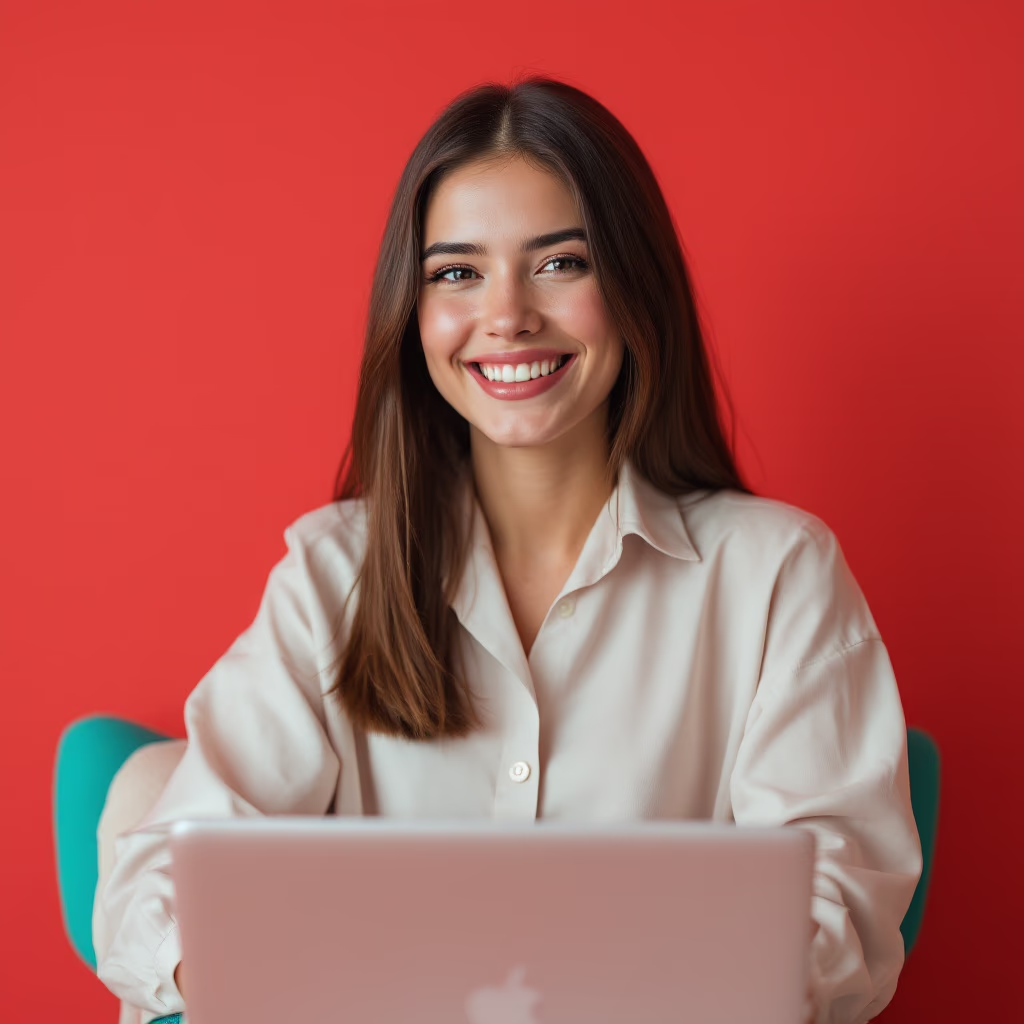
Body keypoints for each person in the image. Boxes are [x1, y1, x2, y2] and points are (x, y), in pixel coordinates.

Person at [94, 76, 922, 1024]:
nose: (508, 315)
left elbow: (840, 921)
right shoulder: (334, 574)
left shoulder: (779, 574)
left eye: (560, 263)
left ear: (634, 284)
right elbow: (153, 887)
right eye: (457, 272)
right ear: (414, 315)